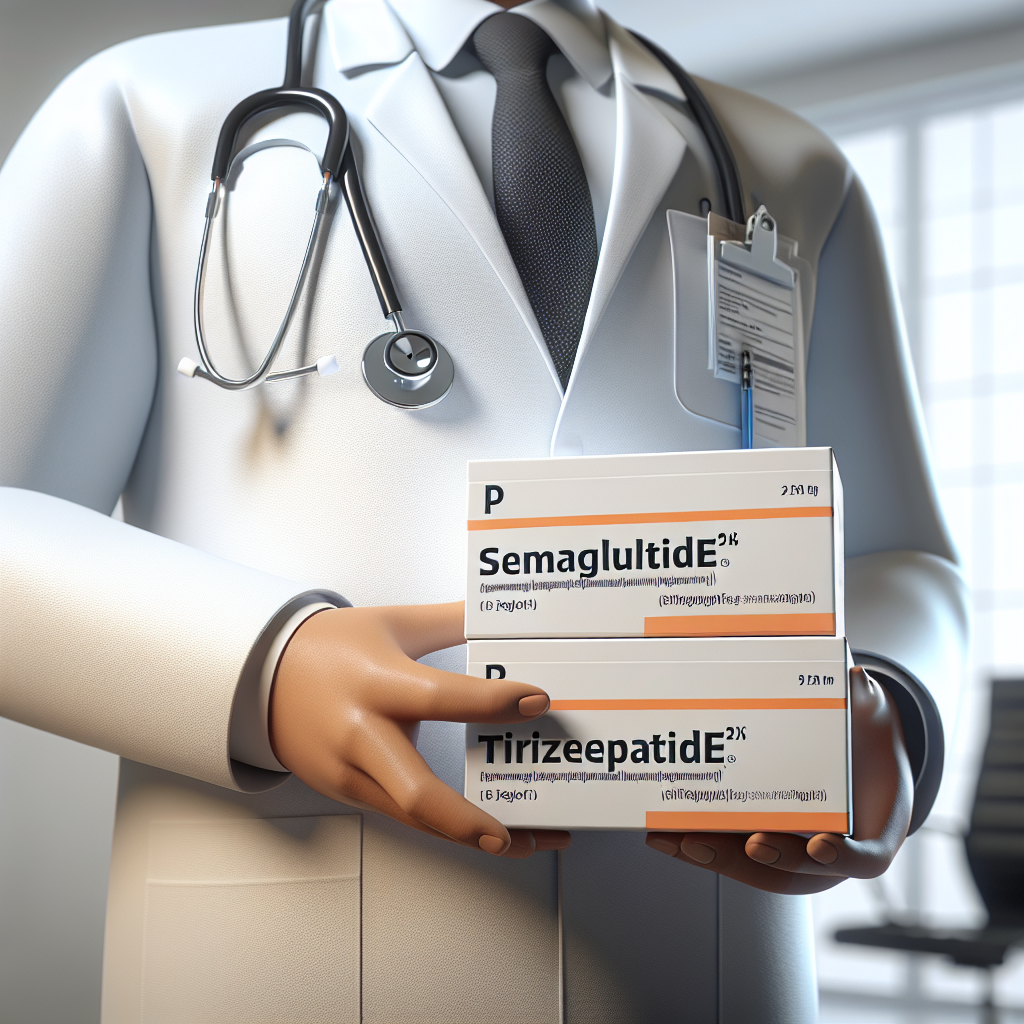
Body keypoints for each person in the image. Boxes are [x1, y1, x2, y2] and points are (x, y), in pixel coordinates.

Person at [0, 0, 967, 1020]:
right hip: (290, 953)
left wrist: (894, 708)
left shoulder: (790, 166)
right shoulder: (146, 105)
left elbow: (897, 553)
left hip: (706, 963)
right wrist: (266, 665)